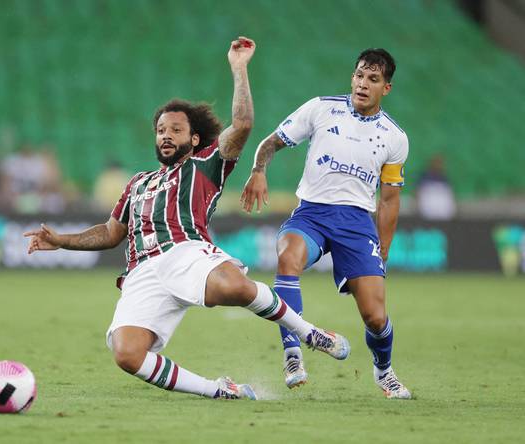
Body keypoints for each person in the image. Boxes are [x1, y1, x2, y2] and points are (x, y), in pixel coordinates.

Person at [24, 37, 350, 401]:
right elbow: (111, 232)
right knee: (127, 354)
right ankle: (219, 391)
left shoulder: (205, 166)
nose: (166, 135)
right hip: (141, 272)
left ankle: (309, 333)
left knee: (234, 288)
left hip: (185, 251)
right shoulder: (137, 183)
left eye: (175, 130)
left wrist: (239, 68)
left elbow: (242, 125)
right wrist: (60, 240)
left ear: (194, 138)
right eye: (161, 130)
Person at [241, 48, 411, 399]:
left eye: (373, 79)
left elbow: (390, 199)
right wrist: (258, 170)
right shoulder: (320, 108)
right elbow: (271, 142)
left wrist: (384, 251)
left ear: (386, 88)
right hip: (312, 214)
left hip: (356, 223)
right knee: (287, 257)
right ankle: (293, 355)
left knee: (376, 318)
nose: (363, 84)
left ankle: (384, 372)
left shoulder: (394, 138)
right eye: (360, 75)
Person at [416, 154, 456, 220]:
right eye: (436, 163)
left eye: (439, 163)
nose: (437, 165)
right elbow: (418, 191)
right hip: (428, 207)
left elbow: (450, 194)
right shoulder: (424, 176)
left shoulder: (444, 178)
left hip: (442, 211)